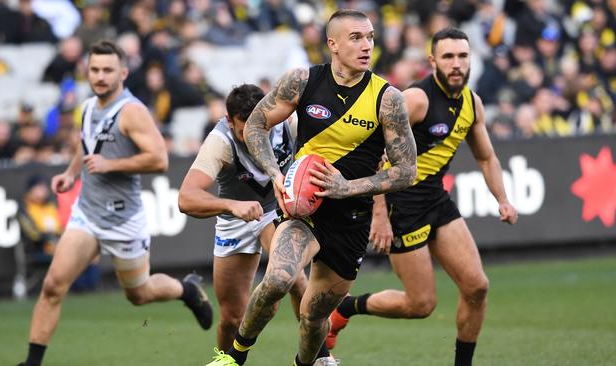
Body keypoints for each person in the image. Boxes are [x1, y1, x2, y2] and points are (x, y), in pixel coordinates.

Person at [205, 9, 417, 366]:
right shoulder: (303, 81)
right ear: (332, 44)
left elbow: (407, 171)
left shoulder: (388, 99)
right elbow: (256, 123)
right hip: (304, 211)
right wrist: (275, 174)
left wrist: (345, 187)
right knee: (278, 279)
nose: (366, 46)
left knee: (314, 315)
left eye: (370, 38)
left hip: (351, 218)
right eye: (356, 38)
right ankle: (235, 356)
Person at [326, 28, 519, 366]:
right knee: (421, 305)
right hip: (402, 203)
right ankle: (345, 307)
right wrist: (380, 214)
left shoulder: (473, 103)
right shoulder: (416, 100)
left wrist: (502, 198)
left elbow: (486, 157)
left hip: (435, 198)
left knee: (477, 287)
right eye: (448, 57)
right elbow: (376, 156)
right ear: (433, 61)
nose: (456, 64)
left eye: (462, 56)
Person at [17, 40, 213, 366]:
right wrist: (70, 173)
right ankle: (31, 363)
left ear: (122, 73)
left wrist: (111, 165)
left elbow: (159, 159)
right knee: (52, 286)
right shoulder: (89, 106)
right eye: (94, 69)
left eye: (108, 70)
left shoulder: (132, 111)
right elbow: (87, 144)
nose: (100, 76)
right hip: (88, 213)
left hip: (123, 220)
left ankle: (187, 291)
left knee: (139, 294)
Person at [178, 83, 308, 351]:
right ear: (229, 120)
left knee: (293, 276)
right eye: (244, 130)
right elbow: (186, 197)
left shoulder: (286, 122)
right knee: (231, 318)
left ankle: (320, 355)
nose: (253, 136)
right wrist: (231, 206)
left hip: (276, 209)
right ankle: (229, 359)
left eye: (261, 127)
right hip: (236, 219)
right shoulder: (220, 141)